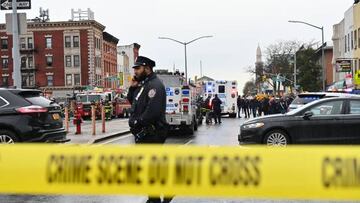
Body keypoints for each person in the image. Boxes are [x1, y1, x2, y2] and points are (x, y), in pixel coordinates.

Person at [127, 56, 171, 203]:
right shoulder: (143, 84)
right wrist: (132, 88)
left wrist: (137, 122)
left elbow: (153, 111)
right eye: (135, 69)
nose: (135, 72)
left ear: (147, 68)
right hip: (144, 133)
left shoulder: (155, 85)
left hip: (152, 132)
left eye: (138, 68)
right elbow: (134, 102)